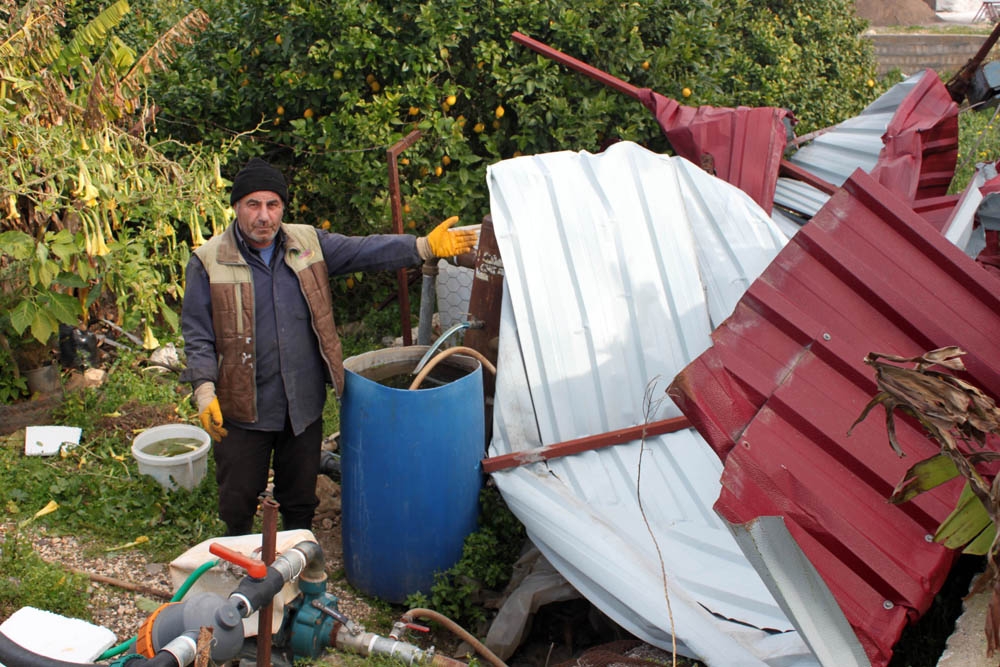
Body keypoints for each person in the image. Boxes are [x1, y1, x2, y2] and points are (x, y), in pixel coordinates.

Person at [180, 157, 477, 535]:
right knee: (238, 497)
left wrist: (420, 247)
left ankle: (298, 563)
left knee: (300, 498)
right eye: (253, 204)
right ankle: (243, 562)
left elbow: (363, 251)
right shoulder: (209, 261)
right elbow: (198, 333)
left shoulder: (307, 244)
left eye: (272, 205)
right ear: (237, 207)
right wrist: (204, 390)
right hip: (243, 407)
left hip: (301, 404)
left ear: (282, 208)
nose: (263, 216)